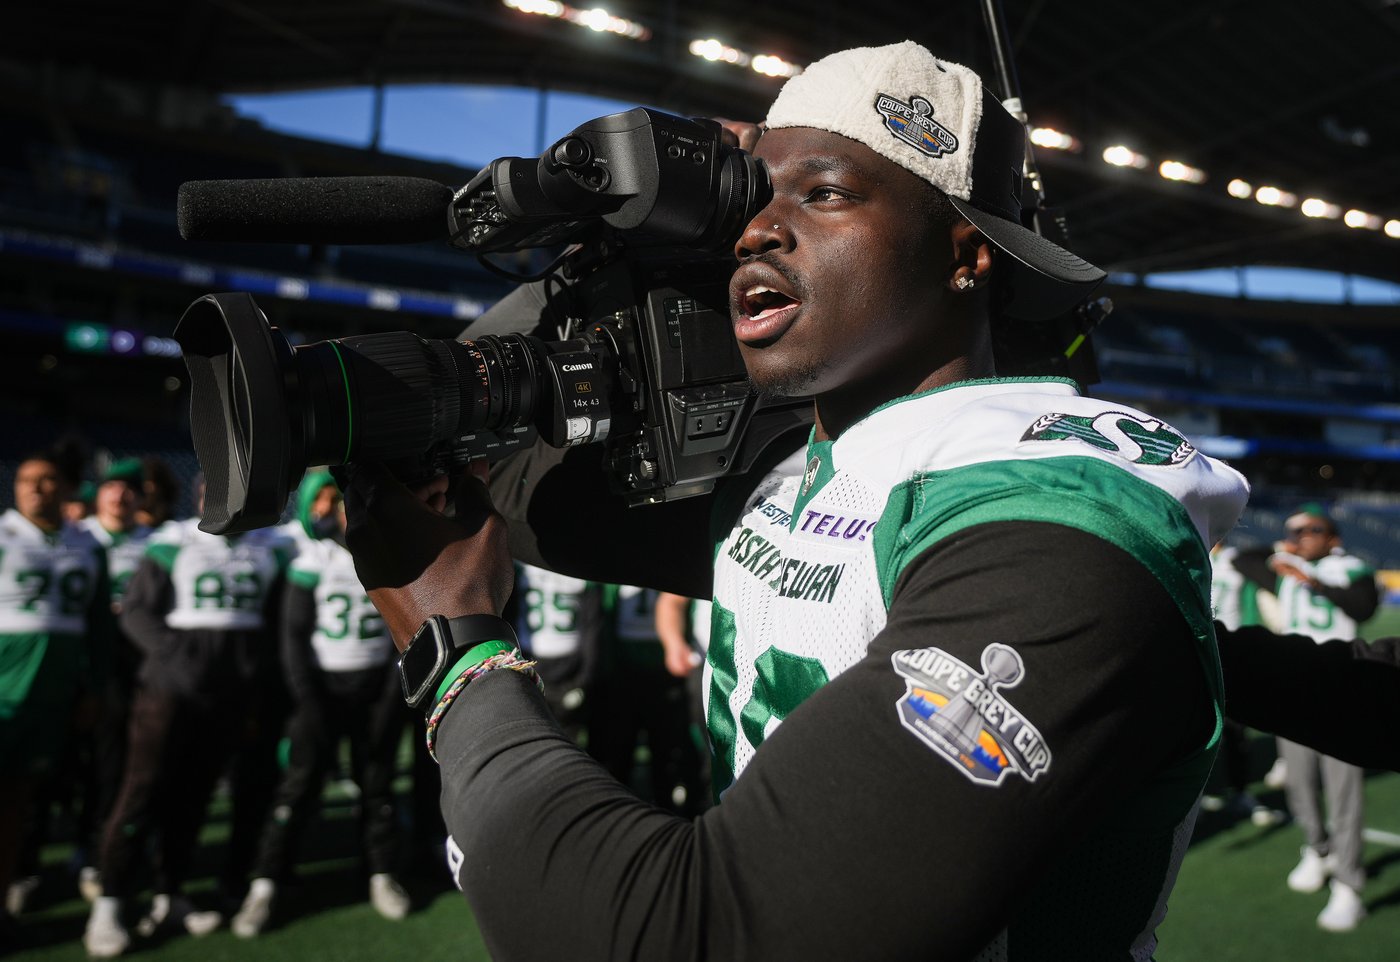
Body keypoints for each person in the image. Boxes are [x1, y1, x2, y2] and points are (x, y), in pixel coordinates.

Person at [337, 41, 1252, 960]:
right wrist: (632, 243)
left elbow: (694, 938)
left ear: (967, 251)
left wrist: (457, 650)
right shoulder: (799, 470)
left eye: (825, 193)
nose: (754, 233)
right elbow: (512, 472)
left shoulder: (1050, 508)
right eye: (754, 203)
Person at [84, 479, 289, 957]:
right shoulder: (172, 541)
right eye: (215, 491)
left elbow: (274, 621)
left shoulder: (271, 546)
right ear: (201, 497)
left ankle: (169, 893)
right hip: (168, 693)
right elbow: (136, 613)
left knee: (194, 797)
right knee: (141, 791)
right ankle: (110, 902)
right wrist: (180, 660)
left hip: (230, 698)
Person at [230, 471, 410, 936]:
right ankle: (265, 883)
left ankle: (380, 873)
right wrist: (308, 700)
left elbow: (405, 634)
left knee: (376, 783)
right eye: (331, 500)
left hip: (375, 686)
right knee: (299, 785)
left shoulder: (391, 556)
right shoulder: (313, 557)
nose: (340, 509)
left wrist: (393, 689)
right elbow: (293, 639)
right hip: (322, 689)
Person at [0, 453, 111, 946]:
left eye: (49, 480)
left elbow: (97, 626)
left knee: (17, 803)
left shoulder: (88, 544)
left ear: (67, 488)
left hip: (52, 689)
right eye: (28, 481)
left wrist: (92, 687)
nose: (38, 489)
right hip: (5, 684)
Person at [1267, 505, 1379, 933]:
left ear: (1333, 536)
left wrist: (1311, 580)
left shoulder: (1352, 568)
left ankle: (1350, 884)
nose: (1302, 535)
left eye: (1314, 529)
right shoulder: (1284, 567)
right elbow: (1242, 557)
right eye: (1295, 529)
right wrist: (1289, 560)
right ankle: (1317, 848)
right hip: (1294, 690)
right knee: (1299, 782)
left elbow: (1363, 606)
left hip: (1342, 689)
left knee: (1343, 791)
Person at [73, 457, 155, 901]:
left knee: (117, 763)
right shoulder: (79, 540)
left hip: (133, 667)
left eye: (129, 489)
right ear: (98, 493)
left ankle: (100, 852)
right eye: (111, 487)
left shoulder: (154, 542)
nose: (120, 496)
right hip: (77, 662)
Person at [1205, 542, 1284, 826]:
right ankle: (1198, 794)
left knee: (1236, 731)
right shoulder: (1192, 550)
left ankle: (1239, 792)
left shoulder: (1236, 559)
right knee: (1195, 729)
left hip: (1230, 649)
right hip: (1198, 648)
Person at [511, 561, 603, 743]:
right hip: (538, 660)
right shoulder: (582, 569)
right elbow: (594, 627)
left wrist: (583, 679)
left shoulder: (519, 567)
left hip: (549, 661)